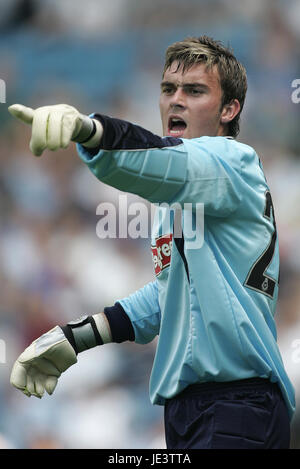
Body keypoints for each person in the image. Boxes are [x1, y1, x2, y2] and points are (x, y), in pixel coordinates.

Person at [8, 36, 295, 449]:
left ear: (229, 109)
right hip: (191, 410)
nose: (175, 101)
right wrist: (80, 336)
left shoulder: (233, 161)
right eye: (168, 89)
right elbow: (170, 297)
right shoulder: (179, 197)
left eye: (194, 91)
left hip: (237, 404)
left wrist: (88, 129)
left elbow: (154, 159)